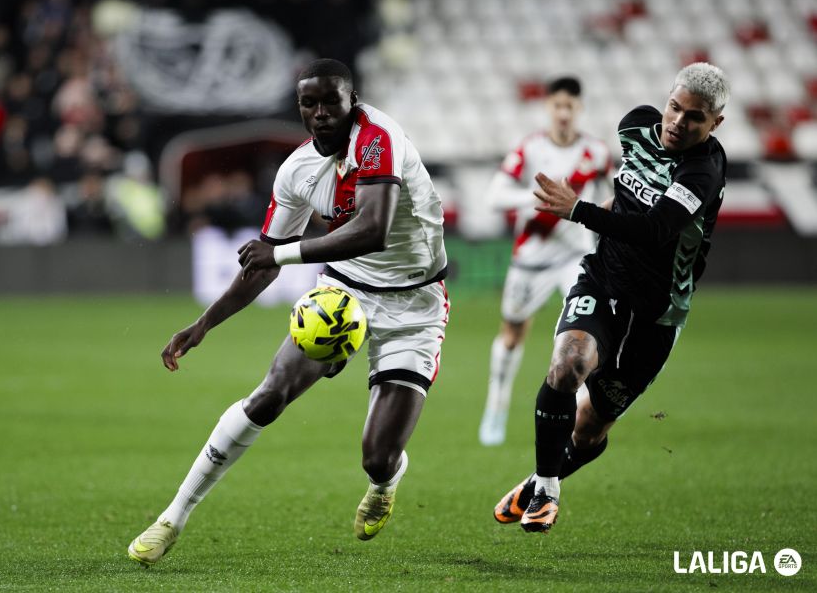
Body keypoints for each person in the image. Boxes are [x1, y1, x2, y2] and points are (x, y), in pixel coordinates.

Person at [127, 58, 449, 565]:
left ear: (352, 101)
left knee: (377, 456)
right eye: (308, 103)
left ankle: (385, 481)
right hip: (345, 291)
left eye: (330, 102)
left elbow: (373, 229)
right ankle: (172, 517)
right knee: (269, 395)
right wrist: (204, 323)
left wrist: (281, 254)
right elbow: (261, 265)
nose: (320, 113)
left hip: (415, 302)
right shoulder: (297, 171)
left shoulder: (377, 138)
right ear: (298, 107)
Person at [493, 63, 729, 533]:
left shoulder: (702, 172)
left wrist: (577, 210)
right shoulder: (635, 126)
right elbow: (624, 201)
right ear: (666, 99)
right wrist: (593, 210)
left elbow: (655, 229)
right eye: (675, 107)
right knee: (568, 365)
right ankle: (547, 488)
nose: (678, 122)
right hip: (602, 281)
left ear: (715, 123)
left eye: (695, 118)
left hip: (656, 314)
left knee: (588, 429)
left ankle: (540, 480)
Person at [479, 77, 612, 446]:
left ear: (579, 109)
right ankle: (496, 405)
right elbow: (494, 196)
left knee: (583, 333)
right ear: (548, 107)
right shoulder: (530, 148)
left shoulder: (597, 152)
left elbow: (611, 195)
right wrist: (534, 198)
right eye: (558, 106)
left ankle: (582, 409)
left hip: (575, 258)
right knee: (512, 335)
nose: (564, 113)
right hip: (532, 258)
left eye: (570, 106)